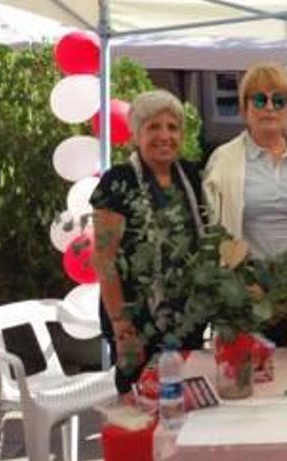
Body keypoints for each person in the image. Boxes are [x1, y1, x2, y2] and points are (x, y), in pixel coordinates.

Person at [204, 62, 287, 345]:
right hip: (246, 295)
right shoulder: (222, 161)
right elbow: (212, 227)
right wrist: (245, 281)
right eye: (259, 99)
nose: (269, 107)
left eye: (279, 100)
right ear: (244, 108)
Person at [91, 89, 206, 396]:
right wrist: (121, 327)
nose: (164, 135)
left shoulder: (192, 177)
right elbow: (104, 258)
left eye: (172, 127)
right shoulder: (118, 181)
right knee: (139, 407)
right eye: (154, 127)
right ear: (136, 134)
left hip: (187, 318)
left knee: (183, 404)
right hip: (136, 322)